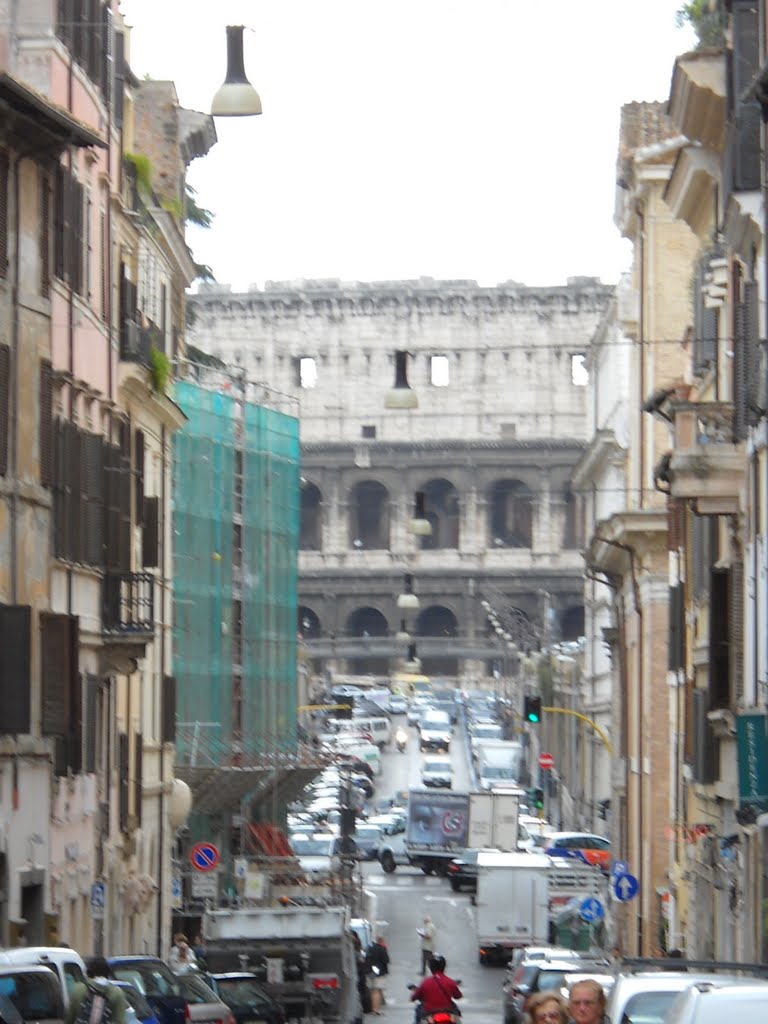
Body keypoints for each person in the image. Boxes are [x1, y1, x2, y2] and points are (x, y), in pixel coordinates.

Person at [66, 956, 127, 1024]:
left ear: (88, 971)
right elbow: (120, 1021)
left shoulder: (78, 989)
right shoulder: (116, 993)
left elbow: (69, 1018)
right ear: (107, 972)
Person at [410, 954, 462, 1020]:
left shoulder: (426, 982)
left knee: (418, 1009)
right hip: (447, 1011)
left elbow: (414, 997)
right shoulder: (450, 982)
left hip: (429, 1013)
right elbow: (458, 996)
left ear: (431, 967)